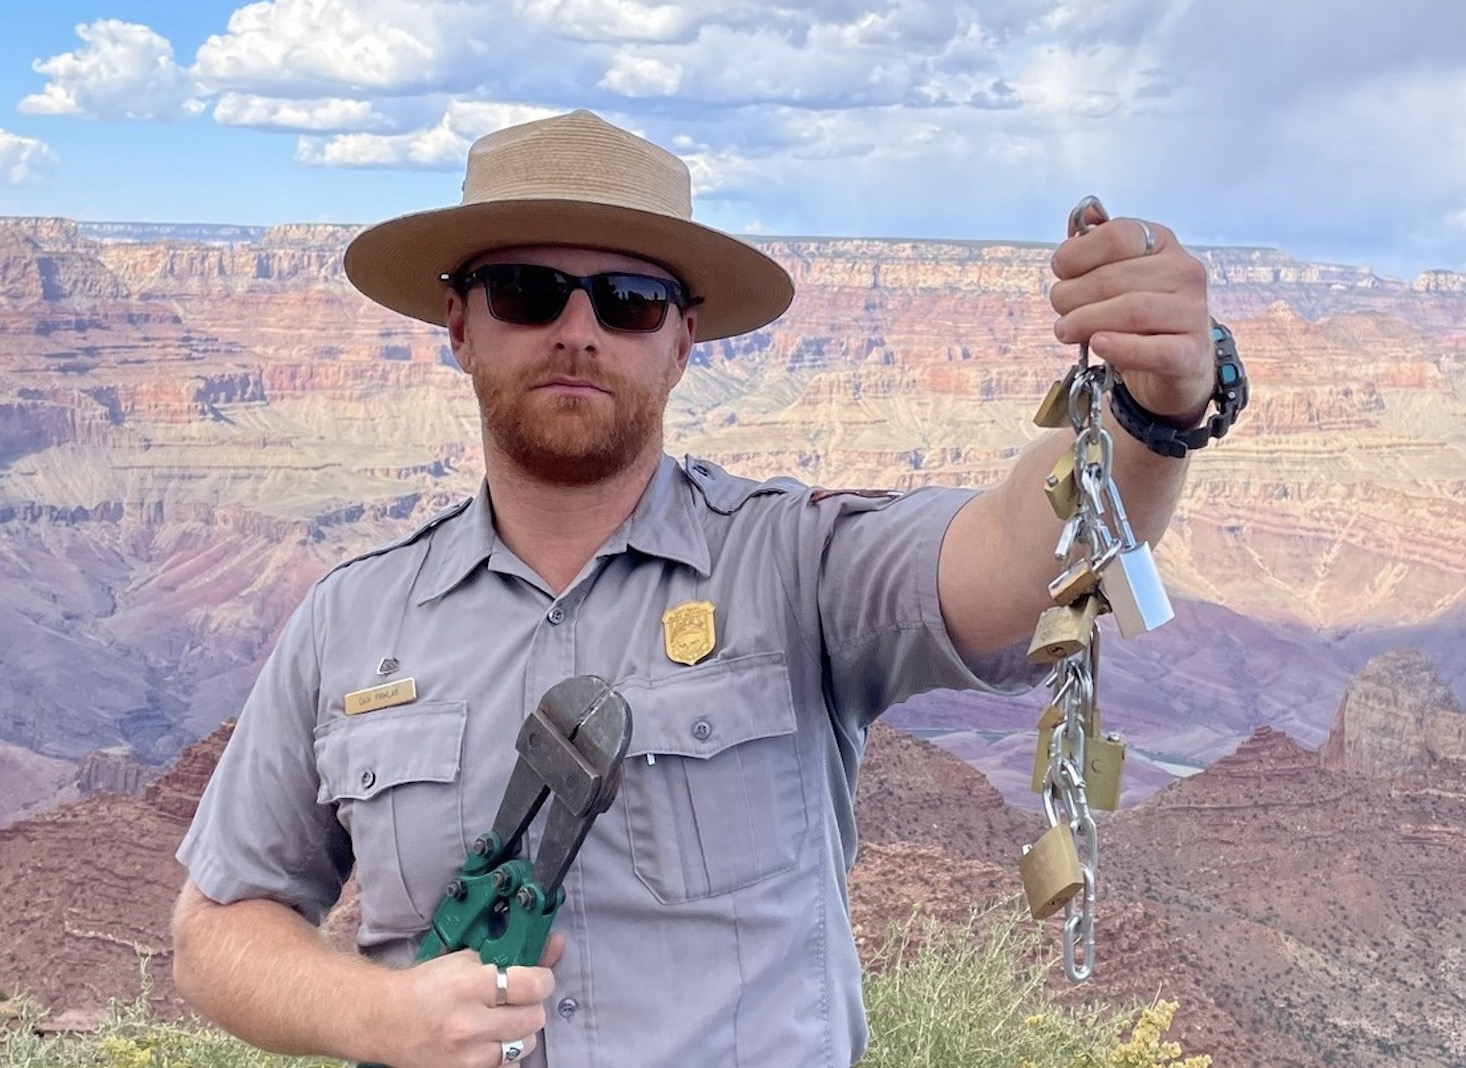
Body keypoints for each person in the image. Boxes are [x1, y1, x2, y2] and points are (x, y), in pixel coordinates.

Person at [171, 109, 1223, 1068]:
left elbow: (1006, 559)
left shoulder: (793, 565)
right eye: (527, 292)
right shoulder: (349, 621)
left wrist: (1148, 414)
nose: (576, 332)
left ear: (681, 341)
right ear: (459, 325)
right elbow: (216, 929)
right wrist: (376, 1017)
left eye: (628, 301)